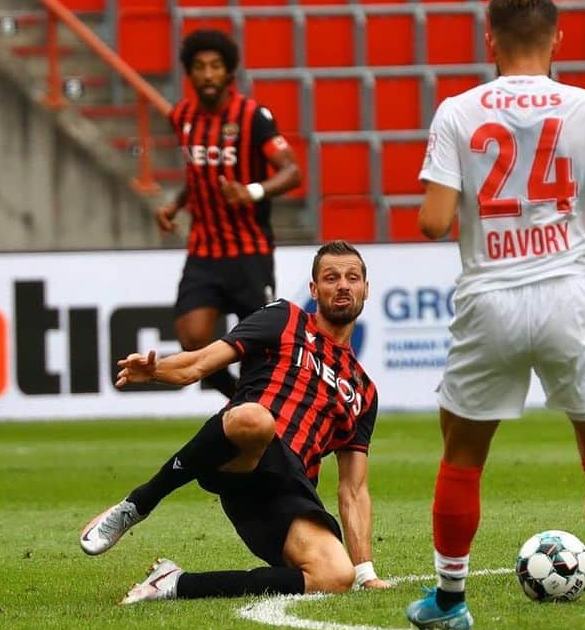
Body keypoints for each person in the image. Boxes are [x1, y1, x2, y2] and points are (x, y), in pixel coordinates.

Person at [403, 0, 585, 630]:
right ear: (557, 39)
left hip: (490, 298)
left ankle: (451, 602)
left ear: (490, 40)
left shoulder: (457, 112)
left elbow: (433, 223)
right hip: (570, 292)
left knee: (462, 452)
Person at [79, 241, 390, 602]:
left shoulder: (364, 391)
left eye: (352, 278)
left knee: (335, 576)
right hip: (241, 449)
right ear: (314, 289)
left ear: (365, 289)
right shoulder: (285, 318)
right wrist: (156, 370)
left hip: (287, 490)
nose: (342, 286)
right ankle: (139, 503)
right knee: (256, 418)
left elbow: (353, 489)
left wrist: (365, 572)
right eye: (331, 278)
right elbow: (199, 362)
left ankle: (174, 584)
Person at [157, 29, 302, 400]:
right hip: (204, 251)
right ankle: (242, 399)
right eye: (200, 67)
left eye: (216, 67)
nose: (208, 74)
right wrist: (177, 203)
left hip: (249, 250)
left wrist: (252, 191)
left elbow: (291, 171)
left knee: (260, 347)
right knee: (192, 337)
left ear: (229, 73)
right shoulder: (182, 117)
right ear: (189, 73)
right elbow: (200, 173)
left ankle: (267, 410)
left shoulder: (253, 117)